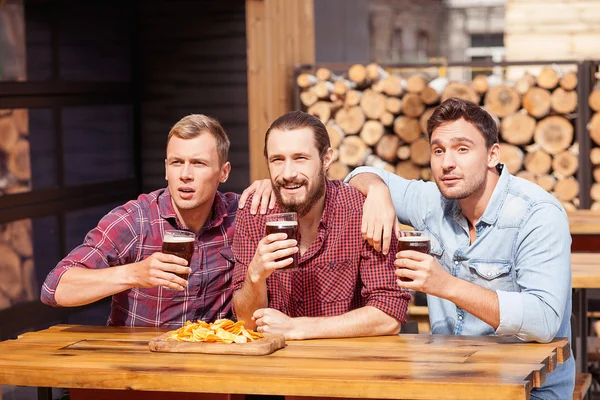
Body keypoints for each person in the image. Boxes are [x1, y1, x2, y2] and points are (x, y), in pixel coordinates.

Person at [345, 98, 574, 399]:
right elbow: (357, 173)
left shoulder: (537, 213)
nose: (446, 162)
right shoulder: (432, 201)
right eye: (438, 150)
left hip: (528, 389)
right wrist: (376, 190)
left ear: (492, 155)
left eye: (462, 149)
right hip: (449, 380)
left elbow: (543, 320)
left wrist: (446, 285)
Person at [41, 114, 253, 327]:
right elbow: (54, 288)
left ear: (223, 172)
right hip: (141, 355)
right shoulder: (136, 220)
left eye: (198, 163)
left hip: (212, 354)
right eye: (177, 162)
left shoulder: (239, 215)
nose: (185, 174)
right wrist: (134, 273)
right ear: (166, 169)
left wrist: (265, 185)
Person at [231, 111, 410, 340]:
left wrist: (300, 328)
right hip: (274, 366)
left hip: (346, 365)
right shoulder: (255, 213)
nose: (288, 174)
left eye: (300, 158)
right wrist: (255, 276)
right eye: (277, 160)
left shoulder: (361, 211)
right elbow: (245, 322)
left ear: (326, 159)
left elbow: (389, 313)